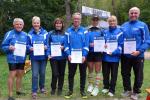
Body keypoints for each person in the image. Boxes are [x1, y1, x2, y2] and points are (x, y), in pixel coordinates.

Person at [121, 7, 150, 100]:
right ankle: (127, 90)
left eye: (135, 13)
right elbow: (119, 39)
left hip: (138, 55)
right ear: (129, 14)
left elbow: (147, 41)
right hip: (125, 55)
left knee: (138, 74)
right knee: (125, 73)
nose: (133, 14)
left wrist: (139, 51)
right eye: (131, 13)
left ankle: (136, 92)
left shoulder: (143, 25)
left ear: (138, 14)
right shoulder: (124, 25)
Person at [1, 18, 28, 100]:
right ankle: (10, 95)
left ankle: (18, 90)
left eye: (20, 24)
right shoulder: (9, 34)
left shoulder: (25, 35)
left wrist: (30, 49)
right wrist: (9, 47)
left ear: (23, 25)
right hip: (12, 58)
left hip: (22, 58)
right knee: (12, 75)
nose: (19, 26)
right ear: (14, 25)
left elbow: (28, 46)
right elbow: (3, 46)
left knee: (20, 75)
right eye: (17, 24)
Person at [64, 12, 89, 99]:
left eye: (78, 19)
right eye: (75, 19)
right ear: (72, 20)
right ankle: (70, 90)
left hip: (82, 57)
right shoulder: (68, 31)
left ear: (80, 20)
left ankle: (82, 90)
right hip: (72, 57)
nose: (76, 20)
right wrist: (68, 54)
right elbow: (66, 45)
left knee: (83, 74)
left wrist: (84, 55)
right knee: (71, 74)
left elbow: (86, 45)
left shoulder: (85, 31)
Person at [101, 15, 124, 97]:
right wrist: (103, 46)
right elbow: (101, 43)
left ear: (116, 22)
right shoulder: (104, 32)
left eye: (113, 21)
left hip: (115, 58)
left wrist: (114, 52)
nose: (112, 22)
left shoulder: (120, 32)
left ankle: (112, 90)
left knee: (114, 75)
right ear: (108, 22)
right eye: (110, 21)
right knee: (105, 74)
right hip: (105, 57)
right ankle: (106, 87)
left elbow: (121, 45)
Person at [28, 16, 48, 99]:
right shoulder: (29, 34)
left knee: (42, 73)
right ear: (32, 24)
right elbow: (27, 45)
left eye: (37, 23)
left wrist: (46, 47)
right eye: (34, 23)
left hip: (43, 57)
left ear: (40, 23)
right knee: (35, 74)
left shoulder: (45, 33)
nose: (36, 24)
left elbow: (48, 43)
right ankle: (34, 91)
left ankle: (42, 87)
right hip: (34, 58)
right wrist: (30, 48)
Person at [47, 18, 67, 96]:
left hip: (63, 57)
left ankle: (60, 89)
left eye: (60, 23)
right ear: (54, 24)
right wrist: (48, 54)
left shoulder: (65, 34)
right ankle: (53, 88)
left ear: (62, 25)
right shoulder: (50, 33)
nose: (58, 25)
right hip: (53, 57)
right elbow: (48, 45)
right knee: (55, 73)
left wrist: (64, 47)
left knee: (61, 73)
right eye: (57, 23)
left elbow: (68, 44)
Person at [86, 15, 104, 96]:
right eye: (93, 19)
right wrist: (89, 44)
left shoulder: (102, 30)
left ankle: (96, 87)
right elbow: (85, 40)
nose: (95, 21)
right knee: (90, 70)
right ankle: (90, 84)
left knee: (97, 70)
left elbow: (104, 40)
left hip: (98, 53)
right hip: (89, 52)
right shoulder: (87, 30)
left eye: (96, 20)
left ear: (98, 21)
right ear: (91, 20)